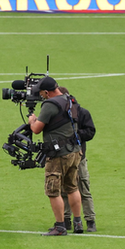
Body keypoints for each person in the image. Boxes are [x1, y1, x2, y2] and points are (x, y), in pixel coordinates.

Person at [27, 77, 85, 236]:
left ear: (47, 92)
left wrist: (32, 119)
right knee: (72, 187)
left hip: (58, 154)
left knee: (53, 190)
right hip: (74, 151)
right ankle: (78, 222)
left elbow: (37, 129)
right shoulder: (69, 99)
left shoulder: (50, 105)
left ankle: (60, 226)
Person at [58, 87, 96, 233]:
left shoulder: (81, 112)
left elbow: (90, 131)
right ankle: (65, 220)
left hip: (78, 157)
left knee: (83, 189)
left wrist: (73, 134)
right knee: (62, 190)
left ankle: (90, 221)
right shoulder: (57, 113)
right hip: (61, 156)